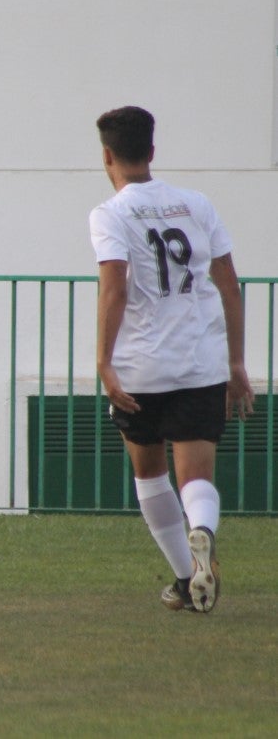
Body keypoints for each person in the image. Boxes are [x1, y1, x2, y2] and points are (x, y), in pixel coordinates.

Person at [89, 105, 254, 612]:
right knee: (195, 479)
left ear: (107, 156)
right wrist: (235, 364)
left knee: (149, 475)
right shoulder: (196, 204)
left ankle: (186, 579)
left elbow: (115, 288)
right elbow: (229, 285)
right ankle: (202, 529)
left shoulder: (110, 213)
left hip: (142, 366)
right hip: (199, 362)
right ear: (152, 151)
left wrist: (104, 362)